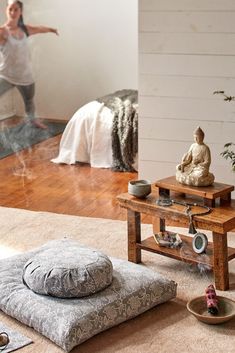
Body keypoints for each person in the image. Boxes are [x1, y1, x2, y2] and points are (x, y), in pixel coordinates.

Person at [0, 0, 58, 129]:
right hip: (7, 76)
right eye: (10, 9)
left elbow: (39, 29)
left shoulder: (25, 29)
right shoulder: (2, 32)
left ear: (21, 12)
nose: (13, 12)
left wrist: (52, 29)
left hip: (25, 76)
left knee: (29, 102)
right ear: (6, 11)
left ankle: (33, 121)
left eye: (16, 9)